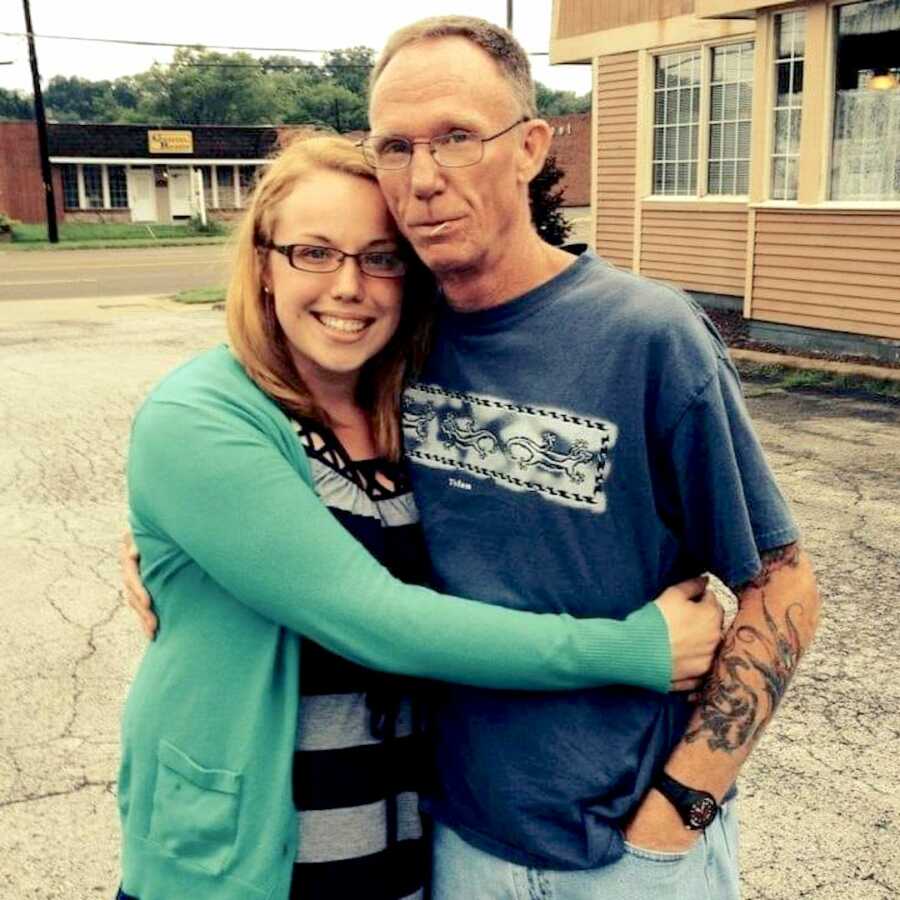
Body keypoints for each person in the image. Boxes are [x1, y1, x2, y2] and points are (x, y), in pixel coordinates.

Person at [115, 133, 725, 900]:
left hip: (397, 837)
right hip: (247, 858)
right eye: (313, 252)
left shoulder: (410, 405)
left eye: (379, 257)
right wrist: (633, 650)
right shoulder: (200, 416)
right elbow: (376, 618)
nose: (349, 286)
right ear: (264, 265)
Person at [359, 15, 821, 900]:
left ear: (529, 146)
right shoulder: (383, 335)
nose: (423, 181)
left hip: (628, 856)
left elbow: (782, 583)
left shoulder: (646, 335)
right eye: (394, 147)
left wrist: (680, 810)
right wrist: (169, 552)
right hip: (451, 837)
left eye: (458, 138)